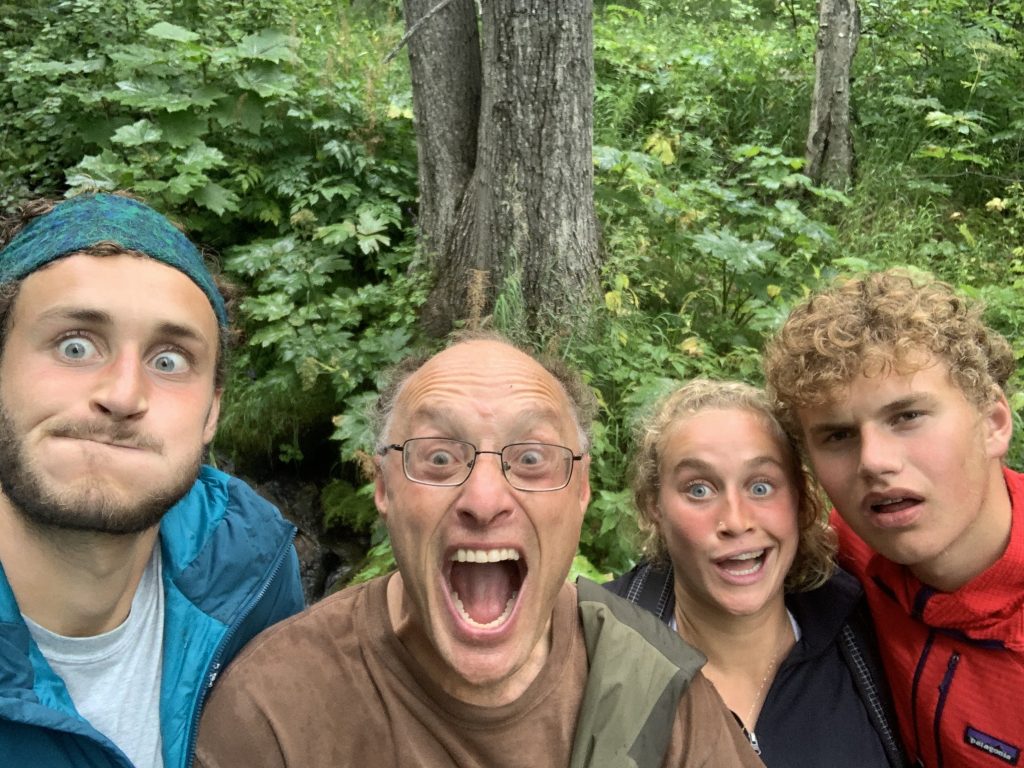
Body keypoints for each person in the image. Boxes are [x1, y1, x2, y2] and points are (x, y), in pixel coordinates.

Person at [195, 333, 763, 767]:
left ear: (582, 491)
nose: (485, 499)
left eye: (533, 459)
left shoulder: (655, 689)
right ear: (384, 488)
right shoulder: (275, 710)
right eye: (439, 458)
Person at [0, 192, 304, 768]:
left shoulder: (255, 566)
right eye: (75, 345)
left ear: (212, 412)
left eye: (169, 361)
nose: (122, 395)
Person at [764, 268, 1023, 767]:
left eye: (907, 417)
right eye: (837, 436)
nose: (874, 462)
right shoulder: (842, 557)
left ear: (993, 423)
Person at [607, 379, 906, 767]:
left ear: (801, 500)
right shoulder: (591, 652)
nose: (735, 520)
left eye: (761, 487)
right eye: (699, 490)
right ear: (654, 507)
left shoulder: (871, 632)